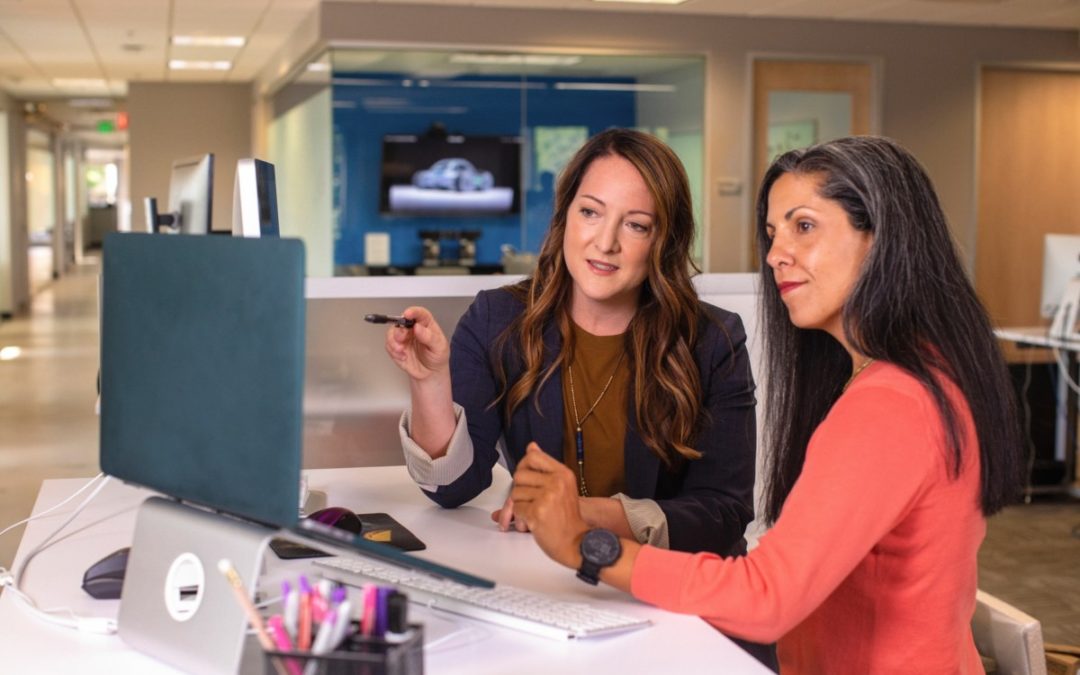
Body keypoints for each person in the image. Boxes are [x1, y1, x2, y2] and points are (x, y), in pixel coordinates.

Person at [510, 136, 1024, 673]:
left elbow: (767, 599)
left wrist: (585, 546)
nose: (777, 254)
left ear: (880, 239)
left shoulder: (891, 405)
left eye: (804, 226)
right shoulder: (924, 372)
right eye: (774, 233)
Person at [385, 129, 769, 661]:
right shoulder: (498, 319)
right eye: (590, 213)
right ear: (565, 216)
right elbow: (452, 488)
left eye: (635, 225)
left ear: (664, 240)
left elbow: (724, 513)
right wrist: (429, 381)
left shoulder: (712, 339)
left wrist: (579, 516)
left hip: (681, 603)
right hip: (559, 599)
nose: (604, 243)